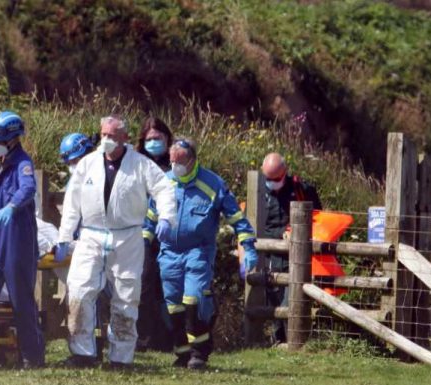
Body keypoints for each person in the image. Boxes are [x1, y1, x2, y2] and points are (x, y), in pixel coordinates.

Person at [55, 115, 177, 368]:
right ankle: (83, 353)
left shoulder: (141, 165)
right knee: (78, 290)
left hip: (128, 236)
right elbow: (72, 203)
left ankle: (121, 357)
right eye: (103, 135)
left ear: (125, 138)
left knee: (126, 296)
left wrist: (167, 217)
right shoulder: (87, 164)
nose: (107, 140)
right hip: (90, 234)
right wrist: (64, 237)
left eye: (112, 136)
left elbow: (164, 189)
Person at [154, 138, 257, 369]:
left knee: (195, 299)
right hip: (169, 252)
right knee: (172, 305)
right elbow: (150, 215)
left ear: (192, 160)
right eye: (171, 161)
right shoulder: (165, 182)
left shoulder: (213, 185)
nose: (174, 166)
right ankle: (181, 352)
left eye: (179, 161)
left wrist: (248, 246)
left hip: (198, 251)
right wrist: (143, 240)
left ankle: (199, 352)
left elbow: (237, 218)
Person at [0, 111, 45, 368]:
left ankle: (32, 357)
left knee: (21, 301)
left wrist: (13, 206)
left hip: (17, 241)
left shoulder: (22, 162)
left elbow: (28, 188)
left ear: (13, 139)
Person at [259, 152, 322, 344]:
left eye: (276, 178)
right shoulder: (258, 191)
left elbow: (318, 218)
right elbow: (253, 226)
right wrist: (280, 235)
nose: (272, 182)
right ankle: (277, 342)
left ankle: (294, 344)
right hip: (268, 257)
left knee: (291, 301)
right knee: (274, 302)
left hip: (295, 258)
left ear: (285, 172)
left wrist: (294, 231)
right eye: (268, 178)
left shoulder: (302, 189)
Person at [135, 117, 174, 352]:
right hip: (142, 234)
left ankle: (168, 339)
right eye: (149, 139)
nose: (153, 143)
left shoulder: (176, 164)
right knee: (144, 286)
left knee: (168, 288)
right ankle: (143, 338)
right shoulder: (136, 164)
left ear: (167, 138)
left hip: (169, 233)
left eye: (158, 139)